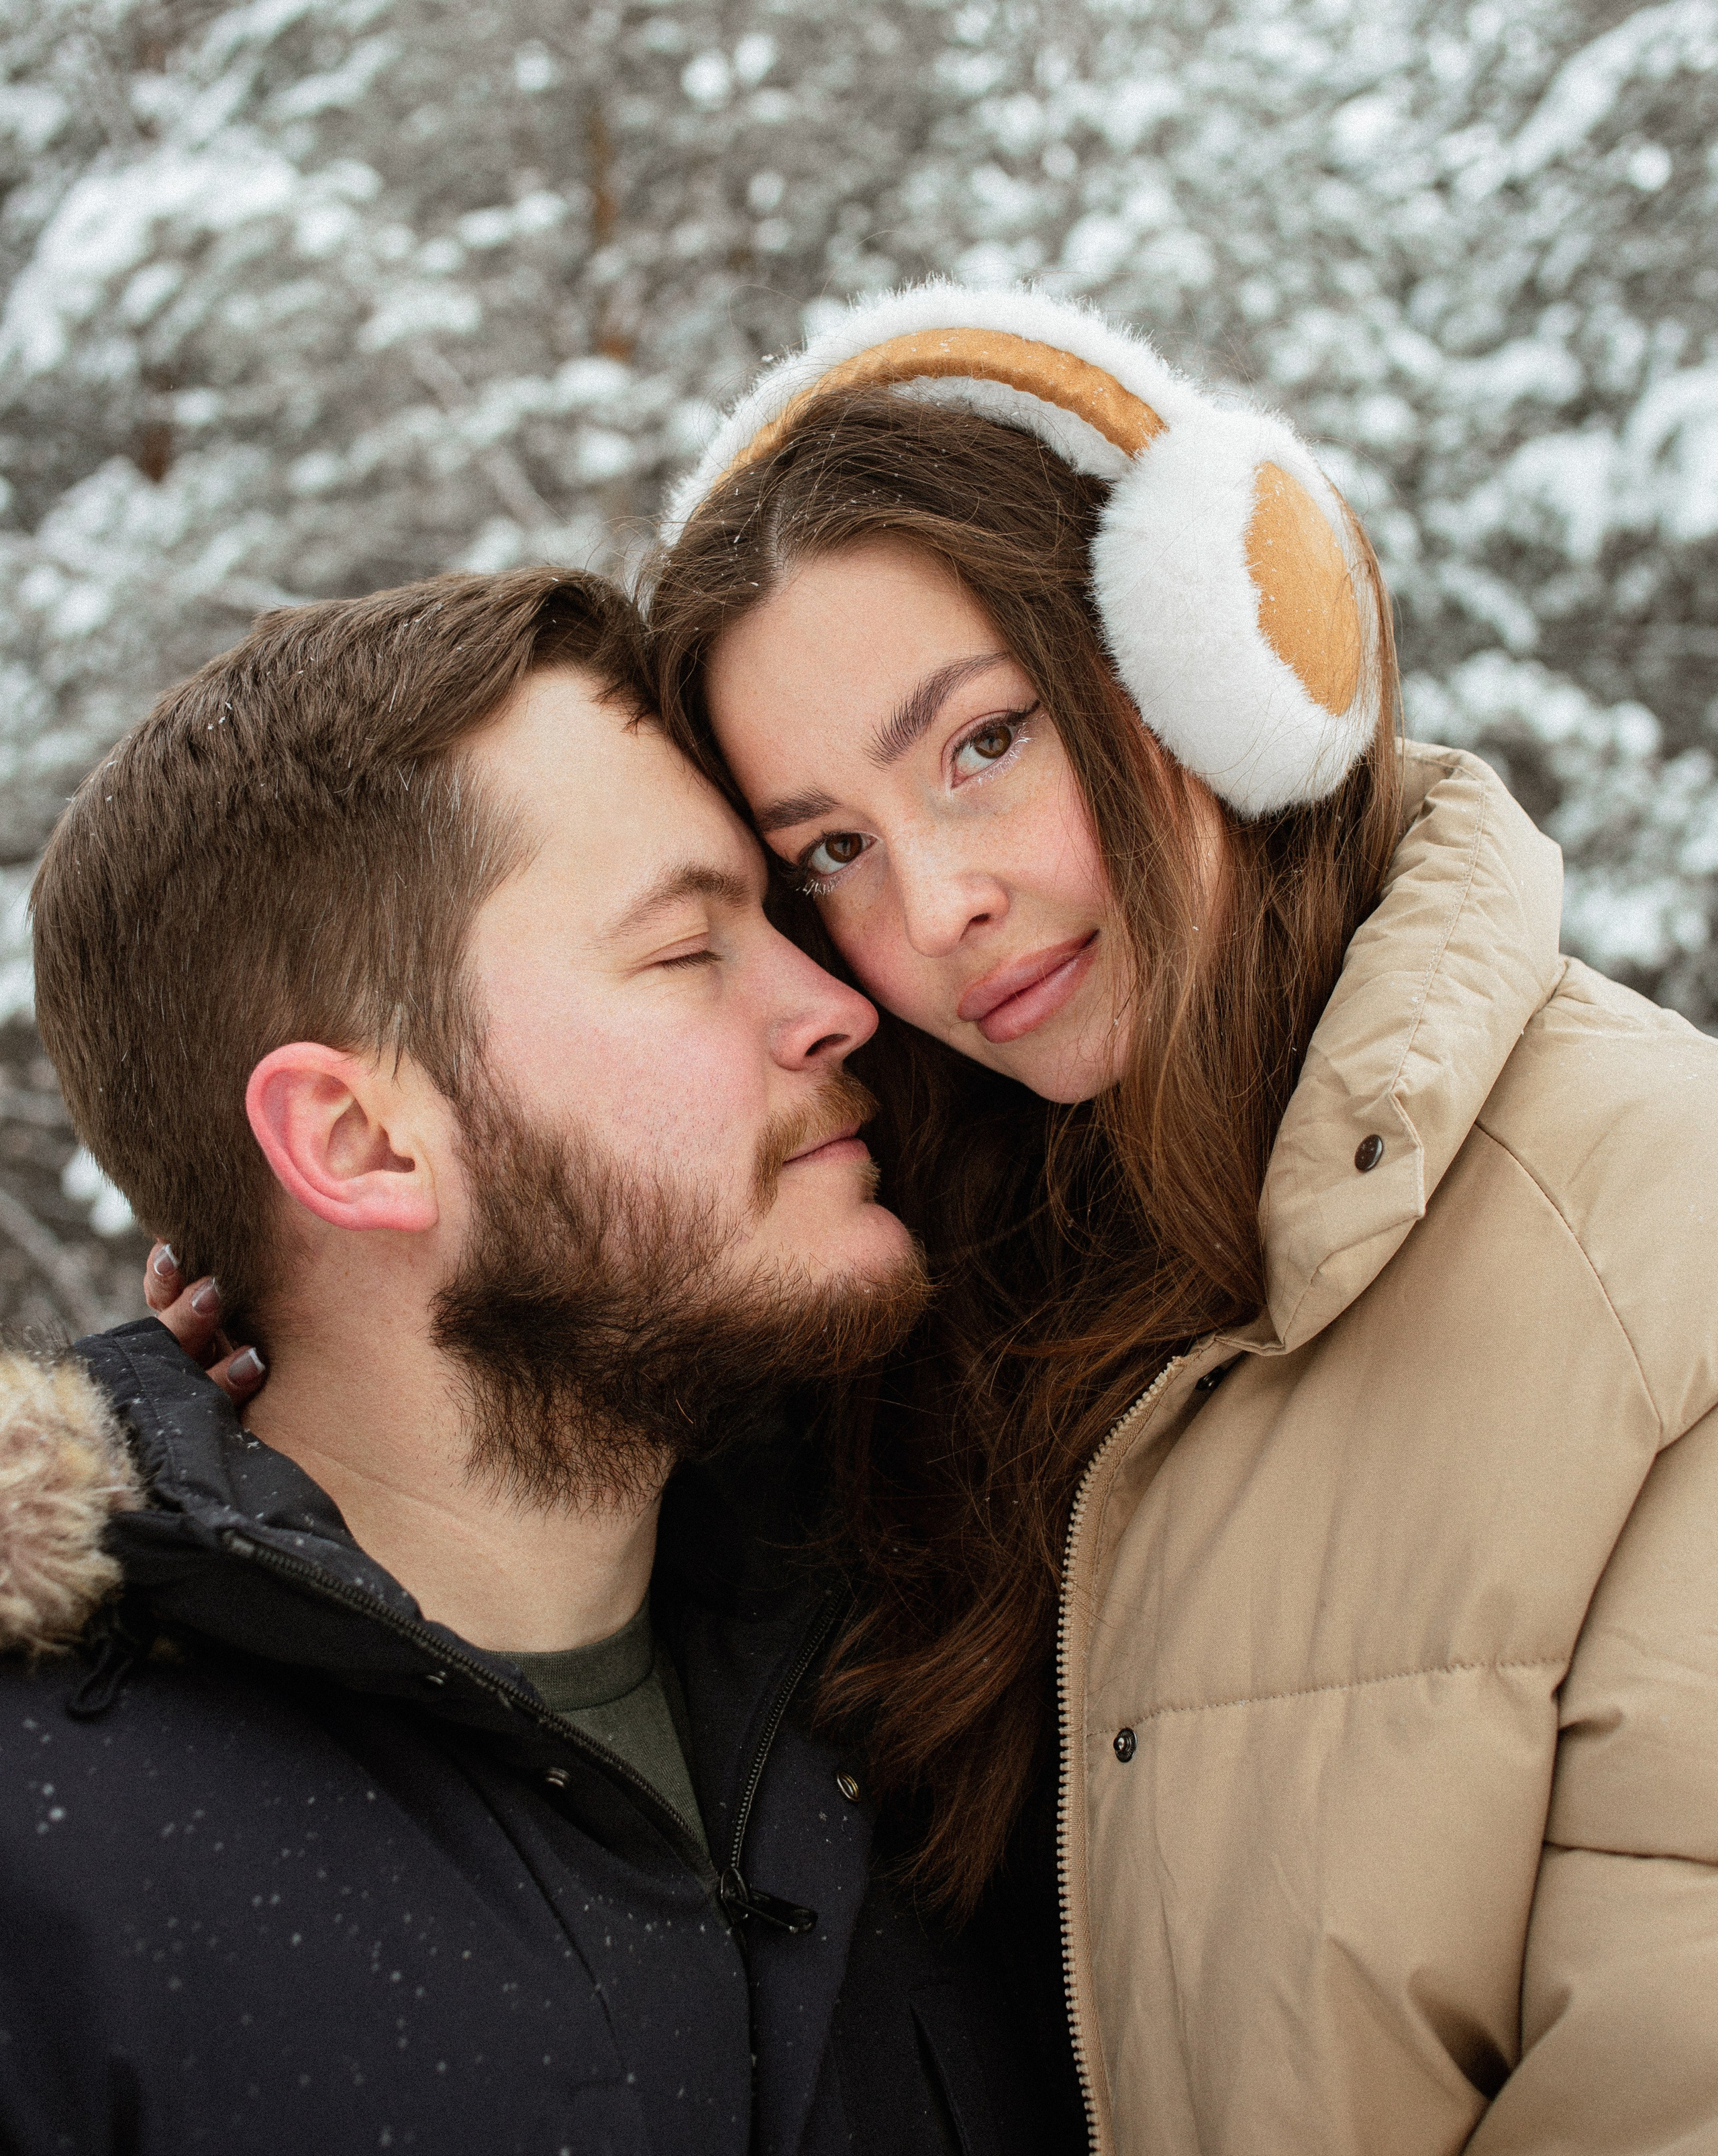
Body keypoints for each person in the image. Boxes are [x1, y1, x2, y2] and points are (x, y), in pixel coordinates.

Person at [644, 286, 1718, 2154]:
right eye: (830, 847)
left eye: (982, 742)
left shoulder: (1660, 1228)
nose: (934, 906)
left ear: (1208, 657)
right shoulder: (906, 1266)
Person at [0, 567, 1083, 2155]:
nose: (839, 1002)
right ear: (359, 1140)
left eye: (782, 911)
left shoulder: (949, 1645)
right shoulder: (48, 1883)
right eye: (685, 948)